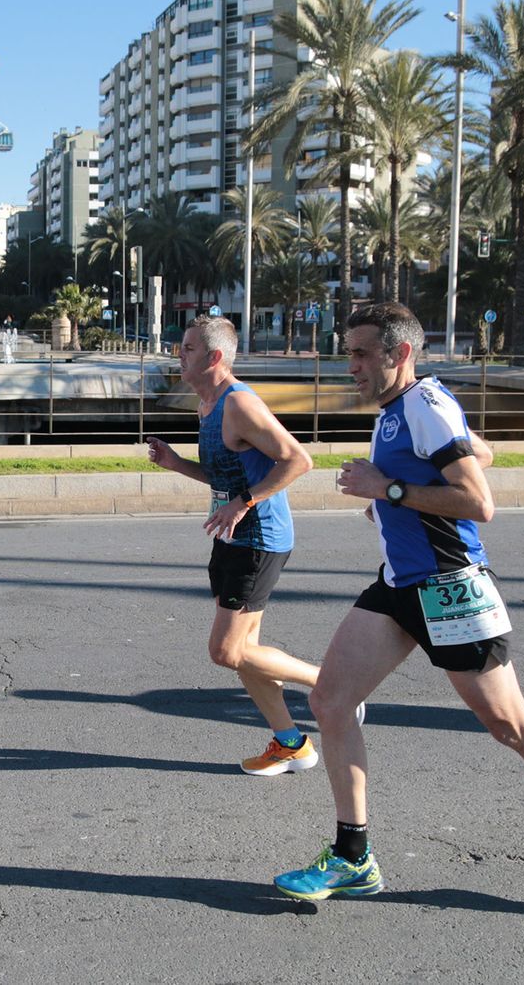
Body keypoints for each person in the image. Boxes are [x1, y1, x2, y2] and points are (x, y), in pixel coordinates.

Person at [273, 302, 524, 921]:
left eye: (361, 354)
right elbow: (476, 452)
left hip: (452, 589)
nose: (350, 365)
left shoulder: (423, 404)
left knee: (510, 726)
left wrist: (387, 491)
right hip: (399, 587)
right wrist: (399, 504)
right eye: (349, 352)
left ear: (399, 354)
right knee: (330, 701)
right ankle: (353, 857)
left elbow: (478, 500)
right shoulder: (405, 409)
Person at [147, 315, 330, 777]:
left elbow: (298, 460)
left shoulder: (239, 404)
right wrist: (176, 464)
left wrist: (245, 503)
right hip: (231, 536)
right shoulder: (206, 405)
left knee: (226, 651)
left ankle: (332, 686)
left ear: (213, 358)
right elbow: (225, 475)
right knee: (244, 652)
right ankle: (292, 743)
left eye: (187, 348)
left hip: (259, 538)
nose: (178, 354)